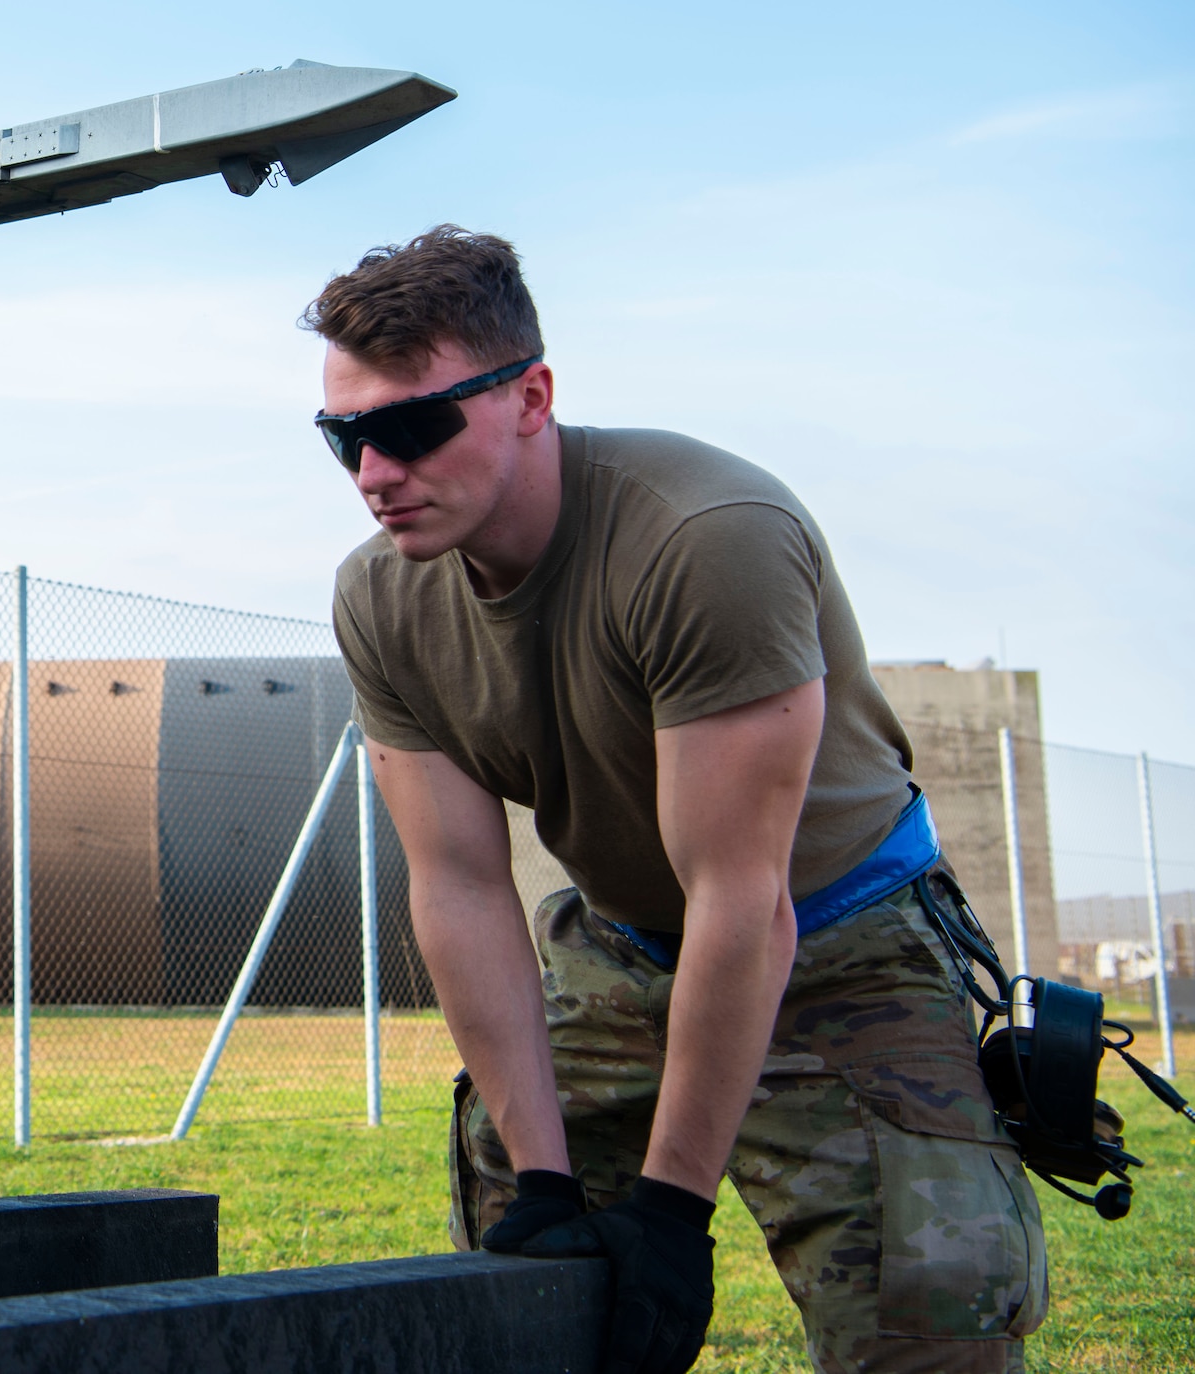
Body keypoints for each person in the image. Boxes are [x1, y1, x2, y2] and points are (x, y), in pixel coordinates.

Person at [306, 226, 1047, 1374]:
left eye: (409, 428)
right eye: (342, 438)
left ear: (530, 396)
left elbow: (739, 898)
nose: (372, 476)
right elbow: (456, 884)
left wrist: (668, 1211)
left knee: (924, 1314)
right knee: (521, 1274)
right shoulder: (379, 597)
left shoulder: (705, 539)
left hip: (835, 937)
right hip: (617, 948)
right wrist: (549, 1179)